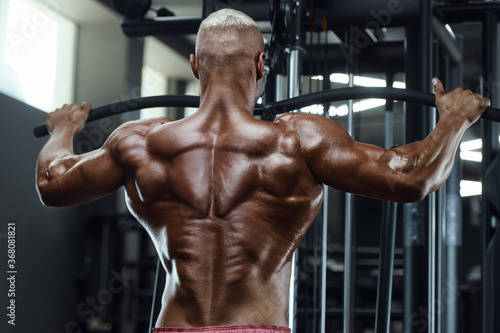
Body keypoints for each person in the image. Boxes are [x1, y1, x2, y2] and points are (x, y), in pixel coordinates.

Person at [36, 8, 490, 333]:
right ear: (261, 65)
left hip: (173, 327)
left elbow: (52, 182)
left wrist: (63, 129)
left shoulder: (140, 143)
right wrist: (454, 119)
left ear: (195, 67)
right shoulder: (297, 140)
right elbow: (412, 176)